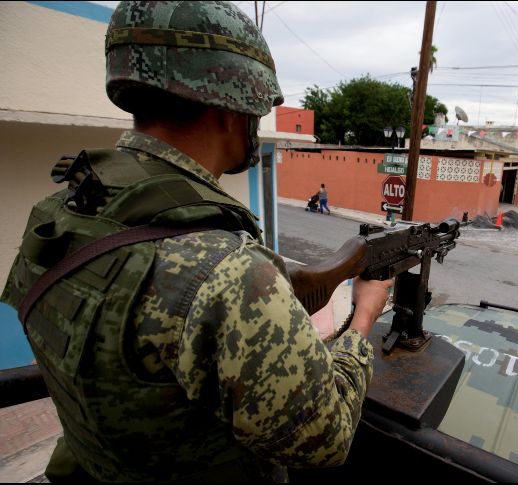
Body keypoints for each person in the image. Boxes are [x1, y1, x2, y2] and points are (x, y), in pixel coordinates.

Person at [0, 1, 392, 482]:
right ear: (230, 106)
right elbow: (325, 439)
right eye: (257, 105)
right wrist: (366, 313)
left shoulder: (60, 215)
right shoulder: (225, 270)